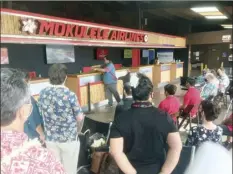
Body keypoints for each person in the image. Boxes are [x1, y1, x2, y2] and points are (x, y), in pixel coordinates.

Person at [110, 73, 182, 174]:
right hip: (156, 170)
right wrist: (165, 171)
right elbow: (176, 146)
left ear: (133, 94)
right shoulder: (164, 117)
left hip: (129, 169)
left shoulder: (120, 119)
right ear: (151, 94)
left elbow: (115, 152)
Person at [1, 68, 65, 173]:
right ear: (24, 111)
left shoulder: (44, 93)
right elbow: (36, 121)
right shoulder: (43, 161)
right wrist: (42, 136)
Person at [37, 64, 85, 174]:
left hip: (50, 139)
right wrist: (77, 130)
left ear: (49, 77)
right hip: (69, 139)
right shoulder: (70, 94)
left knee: (55, 170)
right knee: (69, 170)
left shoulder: (43, 93)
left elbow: (40, 113)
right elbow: (79, 117)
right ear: (66, 77)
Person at [23, 73, 45, 144]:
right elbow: (35, 121)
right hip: (33, 137)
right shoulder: (29, 100)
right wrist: (42, 134)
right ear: (27, 82)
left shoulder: (14, 99)